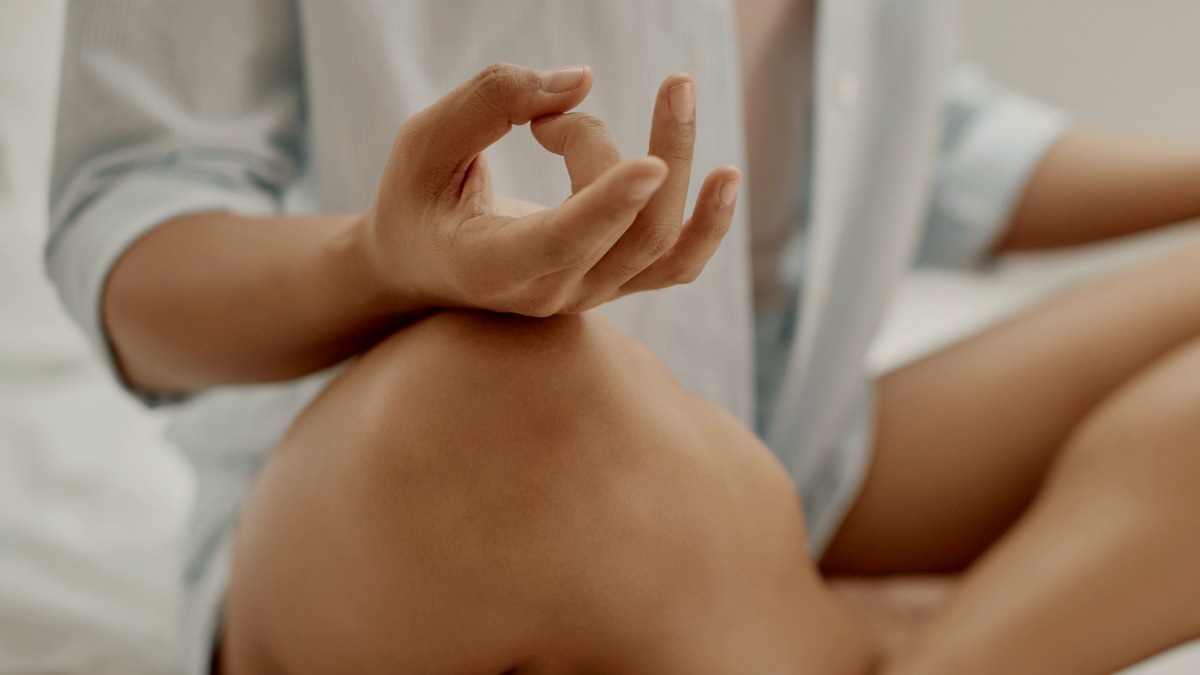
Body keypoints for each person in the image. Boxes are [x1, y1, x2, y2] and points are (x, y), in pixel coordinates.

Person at [47, 1, 1200, 673]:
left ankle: (899, 651)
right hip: (416, 512)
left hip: (778, 458)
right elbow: (136, 220)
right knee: (510, 386)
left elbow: (926, 135)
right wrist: (381, 261)